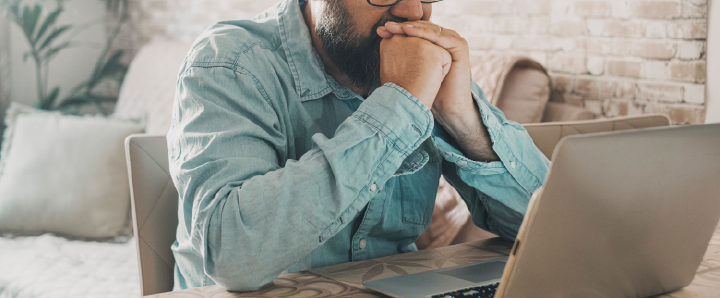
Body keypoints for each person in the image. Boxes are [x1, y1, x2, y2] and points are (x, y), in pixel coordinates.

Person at [167, 0, 550, 292]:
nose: (413, 11)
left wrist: (463, 119)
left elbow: (548, 227)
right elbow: (232, 255)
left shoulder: (426, 68)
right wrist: (400, 105)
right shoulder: (227, 65)